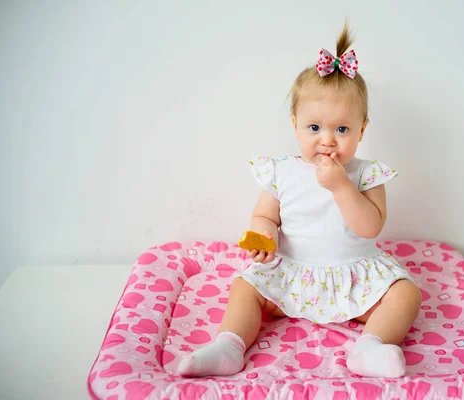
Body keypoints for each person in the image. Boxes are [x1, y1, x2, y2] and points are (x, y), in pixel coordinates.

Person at [178, 22, 421, 379]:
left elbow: (370, 227)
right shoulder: (281, 172)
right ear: (295, 125)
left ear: (362, 130)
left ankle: (369, 348)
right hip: (292, 275)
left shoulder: (366, 174)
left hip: (354, 278)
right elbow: (264, 215)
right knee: (245, 286)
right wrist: (265, 236)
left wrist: (342, 187)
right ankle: (229, 345)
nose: (328, 140)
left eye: (342, 129)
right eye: (314, 128)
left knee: (406, 295)